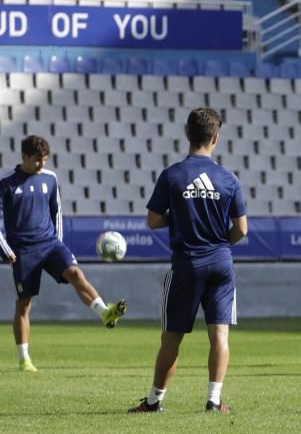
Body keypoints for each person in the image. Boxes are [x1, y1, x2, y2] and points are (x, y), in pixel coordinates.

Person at [128, 108, 248, 413]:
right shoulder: (228, 179)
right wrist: (222, 242)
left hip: (187, 264)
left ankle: (155, 400)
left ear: (187, 134)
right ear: (215, 138)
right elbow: (242, 229)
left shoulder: (172, 175)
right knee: (219, 334)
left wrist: (180, 218)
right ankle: (214, 400)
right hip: (221, 263)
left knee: (171, 338)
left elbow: (153, 221)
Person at [0, 135, 127, 372]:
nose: (42, 165)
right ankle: (23, 358)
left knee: (76, 274)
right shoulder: (6, 182)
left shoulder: (50, 178)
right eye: (37, 161)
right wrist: (6, 249)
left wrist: (57, 244)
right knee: (24, 304)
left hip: (50, 244)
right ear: (24, 157)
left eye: (45, 160)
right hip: (23, 251)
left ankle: (106, 313)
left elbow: (56, 211)